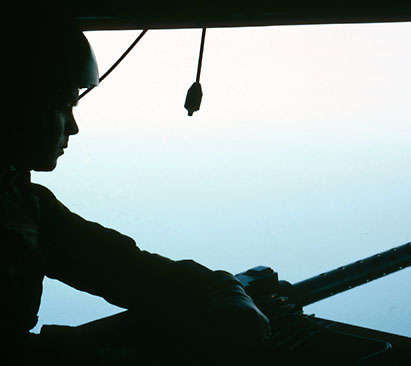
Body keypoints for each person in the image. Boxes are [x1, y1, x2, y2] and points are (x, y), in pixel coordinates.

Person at [1, 8, 270, 366]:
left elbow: (128, 270)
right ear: (21, 102)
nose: (73, 126)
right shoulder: (23, 209)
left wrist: (224, 288)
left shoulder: (25, 206)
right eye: (64, 104)